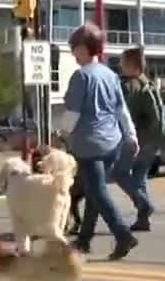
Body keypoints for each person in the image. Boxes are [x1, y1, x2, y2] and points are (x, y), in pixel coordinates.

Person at [58, 23, 139, 260]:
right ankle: (84, 240)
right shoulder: (110, 75)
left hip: (88, 144)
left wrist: (61, 136)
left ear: (83, 48)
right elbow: (121, 110)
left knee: (98, 192)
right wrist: (130, 135)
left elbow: (72, 113)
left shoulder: (81, 76)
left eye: (74, 48)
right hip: (112, 143)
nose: (73, 53)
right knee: (94, 192)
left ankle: (123, 235)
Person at [114, 48, 163, 233]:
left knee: (119, 173)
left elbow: (124, 114)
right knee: (139, 179)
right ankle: (143, 219)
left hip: (137, 140)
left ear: (132, 65)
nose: (120, 65)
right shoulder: (148, 83)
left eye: (123, 62)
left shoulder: (130, 86)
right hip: (151, 141)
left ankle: (144, 204)